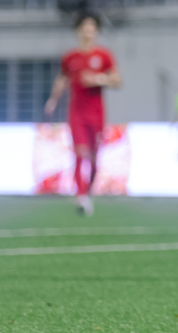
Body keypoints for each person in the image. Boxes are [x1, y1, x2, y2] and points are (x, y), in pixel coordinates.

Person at [44, 13, 121, 216]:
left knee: (94, 157)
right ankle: (81, 197)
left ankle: (88, 191)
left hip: (97, 113)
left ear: (96, 31)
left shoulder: (103, 55)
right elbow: (62, 79)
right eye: (84, 27)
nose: (88, 31)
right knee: (79, 152)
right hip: (76, 112)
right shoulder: (70, 57)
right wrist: (53, 99)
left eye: (91, 27)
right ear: (78, 31)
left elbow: (117, 80)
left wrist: (98, 79)